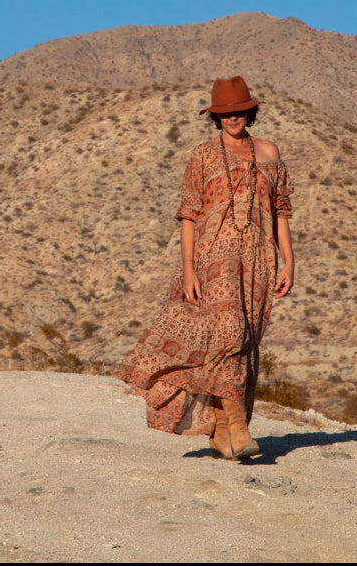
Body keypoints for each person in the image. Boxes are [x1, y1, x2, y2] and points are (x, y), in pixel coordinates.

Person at [117, 75, 295, 460]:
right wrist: (188, 268)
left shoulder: (269, 152)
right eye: (225, 113)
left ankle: (221, 432)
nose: (232, 118)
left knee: (242, 341)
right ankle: (240, 429)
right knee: (228, 335)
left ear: (250, 112)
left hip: (258, 261)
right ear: (216, 117)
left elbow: (281, 211)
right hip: (213, 259)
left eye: (239, 111)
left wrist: (289, 262)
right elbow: (189, 216)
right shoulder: (203, 154)